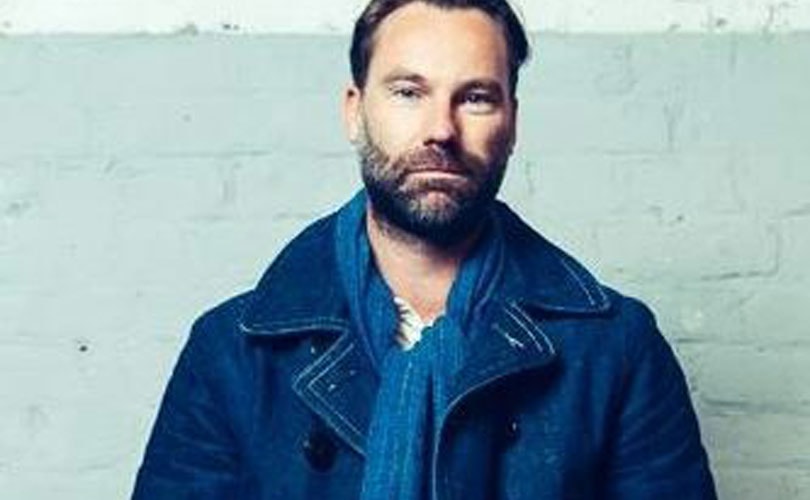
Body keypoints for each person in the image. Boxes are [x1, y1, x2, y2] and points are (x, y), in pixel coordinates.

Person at [132, 0, 717, 498]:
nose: (441, 129)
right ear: (355, 112)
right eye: (409, 92)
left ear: (512, 124)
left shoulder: (615, 349)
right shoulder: (233, 353)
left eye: (476, 98)